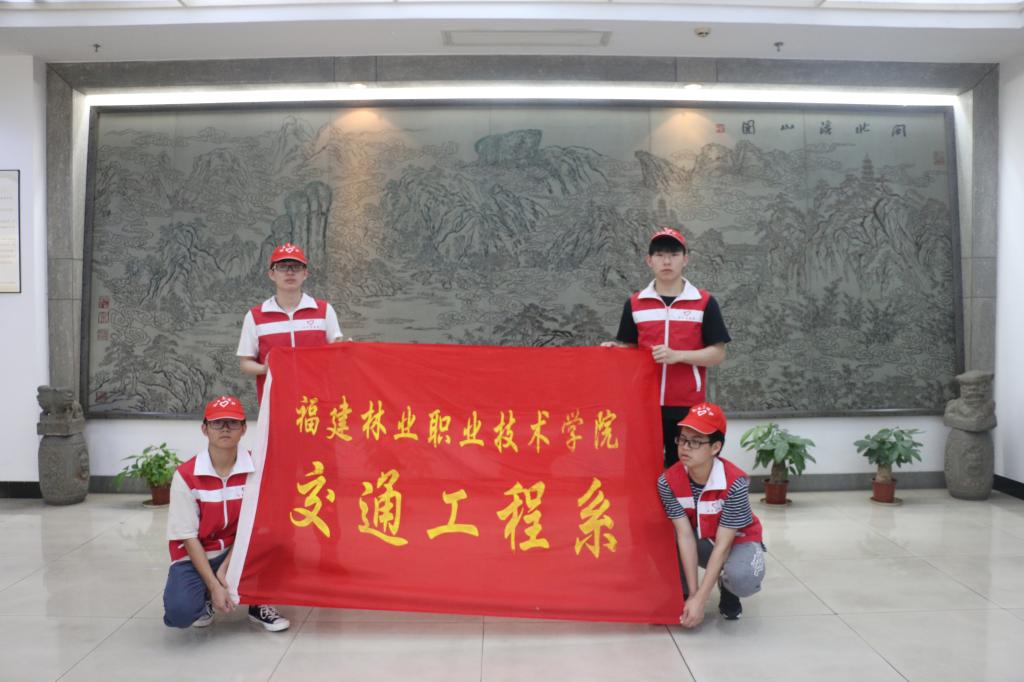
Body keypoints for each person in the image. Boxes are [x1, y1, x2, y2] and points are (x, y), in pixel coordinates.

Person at [602, 227, 731, 468]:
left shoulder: (704, 302)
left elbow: (718, 354)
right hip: (644, 402)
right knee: (641, 466)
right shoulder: (635, 303)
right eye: (660, 255)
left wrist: (677, 356)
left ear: (685, 259)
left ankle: (679, 496)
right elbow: (631, 350)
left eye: (673, 254)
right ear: (649, 260)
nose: (667, 261)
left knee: (681, 468)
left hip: (686, 404)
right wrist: (616, 351)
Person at [162, 395, 291, 631]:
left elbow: (260, 523)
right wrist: (214, 584)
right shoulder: (187, 475)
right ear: (204, 429)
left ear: (243, 429)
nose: (225, 428)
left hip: (240, 552)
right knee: (181, 613)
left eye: (232, 422)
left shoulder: (256, 468)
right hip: (198, 555)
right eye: (217, 422)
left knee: (278, 536)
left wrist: (225, 569)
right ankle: (206, 597)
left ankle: (258, 600)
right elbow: (188, 537)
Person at [657, 402, 765, 626]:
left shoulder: (735, 483)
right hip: (701, 539)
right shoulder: (667, 482)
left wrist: (702, 599)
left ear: (715, 447)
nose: (685, 447)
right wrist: (695, 595)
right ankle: (684, 592)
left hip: (736, 542)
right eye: (683, 439)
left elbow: (723, 545)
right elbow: (685, 536)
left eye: (696, 441)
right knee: (665, 536)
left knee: (743, 577)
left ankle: (728, 587)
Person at [237, 242, 344, 404]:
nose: (290, 272)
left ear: (305, 273)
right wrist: (265, 368)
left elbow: (336, 354)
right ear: (271, 274)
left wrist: (346, 350)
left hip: (317, 402)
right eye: (282, 267)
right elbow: (245, 363)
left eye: (296, 267)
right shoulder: (255, 316)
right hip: (276, 402)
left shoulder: (324, 311)